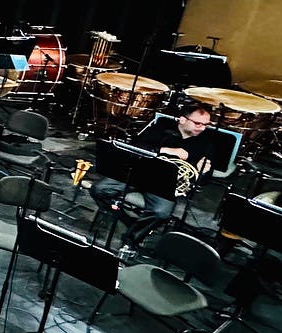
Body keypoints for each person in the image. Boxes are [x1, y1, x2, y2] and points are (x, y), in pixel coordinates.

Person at [90, 102, 214, 250]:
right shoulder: (161, 128)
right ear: (183, 120)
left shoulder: (206, 142)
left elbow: (202, 181)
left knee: (161, 213)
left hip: (165, 185)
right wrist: (166, 150)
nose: (202, 128)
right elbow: (136, 147)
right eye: (198, 123)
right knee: (99, 189)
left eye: (206, 124)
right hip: (138, 174)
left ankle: (131, 239)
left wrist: (203, 172)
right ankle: (129, 221)